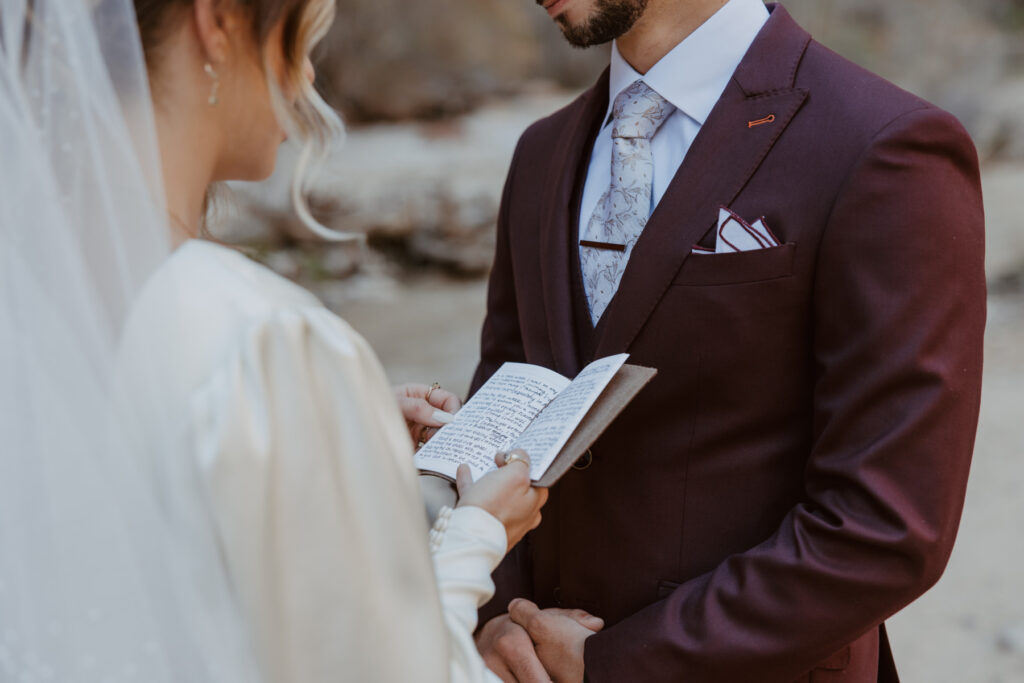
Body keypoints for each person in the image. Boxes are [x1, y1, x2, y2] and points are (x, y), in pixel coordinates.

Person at [0, 0, 545, 681]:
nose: (309, 72)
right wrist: (471, 534)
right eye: (301, 38)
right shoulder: (264, 342)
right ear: (217, 20)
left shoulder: (28, 303)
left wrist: (346, 435)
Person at [471, 0, 986, 681]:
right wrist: (493, 616)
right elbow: (500, 426)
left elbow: (886, 524)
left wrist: (620, 663)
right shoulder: (541, 156)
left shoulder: (883, 145)